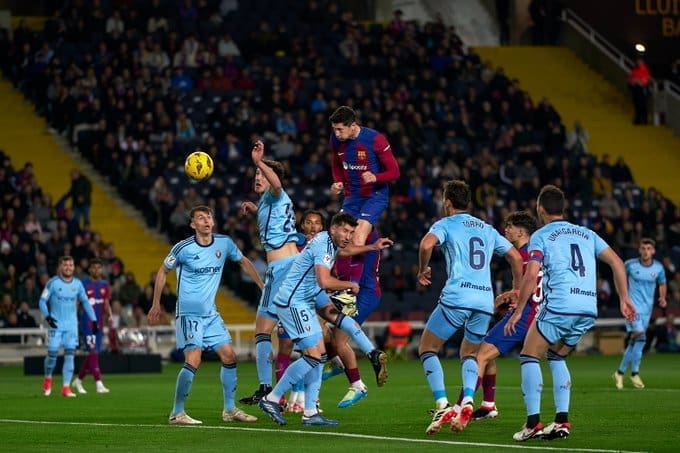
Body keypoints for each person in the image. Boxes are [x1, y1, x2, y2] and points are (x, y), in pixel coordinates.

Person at [505, 185, 636, 442]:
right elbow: (617, 263)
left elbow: (531, 274)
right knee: (556, 356)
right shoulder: (588, 234)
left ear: (540, 209)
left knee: (529, 354)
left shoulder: (541, 236)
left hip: (560, 305)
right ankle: (562, 422)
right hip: (587, 309)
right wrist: (624, 298)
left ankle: (533, 423)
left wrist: (519, 310)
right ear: (562, 209)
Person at [258, 213, 392, 427]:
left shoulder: (328, 241)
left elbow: (345, 251)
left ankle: (310, 412)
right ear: (333, 229)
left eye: (351, 232)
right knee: (313, 356)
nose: (348, 236)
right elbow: (324, 280)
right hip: (293, 303)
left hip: (304, 300)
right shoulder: (323, 244)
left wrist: (372, 247)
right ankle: (272, 399)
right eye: (345, 231)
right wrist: (349, 285)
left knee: (319, 355)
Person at [417, 180, 523, 435]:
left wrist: (423, 270)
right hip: (484, 301)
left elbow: (425, 244)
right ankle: (466, 400)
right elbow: (516, 257)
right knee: (470, 354)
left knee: (427, 348)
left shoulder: (445, 224)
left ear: (448, 203)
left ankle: (442, 403)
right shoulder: (486, 228)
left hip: (458, 296)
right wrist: (517, 290)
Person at [148, 205, 262, 425]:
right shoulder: (183, 248)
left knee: (229, 356)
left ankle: (229, 410)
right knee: (194, 359)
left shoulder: (224, 243)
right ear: (193, 225)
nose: (206, 220)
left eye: (209, 216)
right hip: (189, 313)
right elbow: (163, 271)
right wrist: (156, 304)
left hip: (210, 314)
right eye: (201, 218)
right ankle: (177, 413)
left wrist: (261, 284)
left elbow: (244, 261)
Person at [328, 105, 398, 405]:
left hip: (374, 197)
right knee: (336, 237)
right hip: (352, 197)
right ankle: (337, 366)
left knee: (355, 236)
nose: (337, 135)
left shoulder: (375, 139)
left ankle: (348, 289)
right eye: (335, 131)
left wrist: (376, 177)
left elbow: (395, 172)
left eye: (341, 129)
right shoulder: (337, 142)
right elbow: (334, 162)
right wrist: (338, 180)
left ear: (353, 125)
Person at [447, 210, 540, 423]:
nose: (505, 230)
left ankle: (459, 407)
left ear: (520, 232)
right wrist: (510, 295)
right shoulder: (531, 254)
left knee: (479, 356)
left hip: (525, 315)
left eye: (509, 227)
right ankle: (488, 405)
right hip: (529, 312)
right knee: (484, 353)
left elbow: (531, 285)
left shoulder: (525, 257)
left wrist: (515, 301)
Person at [238, 140, 304, 405]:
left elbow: (277, 186)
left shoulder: (276, 193)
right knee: (282, 333)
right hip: (287, 267)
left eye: (261, 174)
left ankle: (273, 390)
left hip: (282, 269)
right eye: (255, 174)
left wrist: (259, 161)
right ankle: (275, 391)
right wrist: (255, 210)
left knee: (269, 333)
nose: (258, 177)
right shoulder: (266, 202)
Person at [39, 255, 98, 398]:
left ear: (74, 267)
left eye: (71, 265)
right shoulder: (53, 283)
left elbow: (85, 302)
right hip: (56, 325)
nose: (68, 268)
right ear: (60, 266)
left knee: (70, 355)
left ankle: (65, 388)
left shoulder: (77, 284)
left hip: (71, 326)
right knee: (52, 354)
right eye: (65, 265)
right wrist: (48, 317)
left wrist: (94, 320)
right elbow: (42, 301)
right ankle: (48, 377)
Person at [613, 238, 667, 389]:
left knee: (637, 341)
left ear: (653, 251)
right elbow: (618, 277)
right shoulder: (630, 264)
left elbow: (662, 283)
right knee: (641, 336)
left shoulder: (658, 268)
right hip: (632, 308)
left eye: (649, 248)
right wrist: (622, 297)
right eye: (643, 248)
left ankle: (620, 372)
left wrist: (662, 297)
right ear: (639, 250)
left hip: (647, 310)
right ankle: (635, 373)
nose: (645, 251)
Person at [72, 258, 112, 394]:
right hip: (86, 323)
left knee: (93, 355)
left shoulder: (105, 285)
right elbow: (77, 303)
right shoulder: (83, 284)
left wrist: (110, 316)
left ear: (101, 269)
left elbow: (106, 303)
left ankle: (78, 380)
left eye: (98, 268)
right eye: (93, 267)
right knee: (93, 351)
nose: (96, 270)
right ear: (89, 269)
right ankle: (98, 383)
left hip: (99, 325)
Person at [628, 57, 652, 125]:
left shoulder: (644, 69)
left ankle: (644, 120)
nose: (638, 62)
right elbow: (631, 78)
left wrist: (640, 82)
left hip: (642, 90)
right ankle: (638, 120)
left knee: (642, 105)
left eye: (640, 61)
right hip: (636, 90)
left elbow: (647, 79)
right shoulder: (635, 69)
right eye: (638, 61)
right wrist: (633, 81)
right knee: (637, 105)